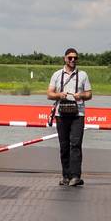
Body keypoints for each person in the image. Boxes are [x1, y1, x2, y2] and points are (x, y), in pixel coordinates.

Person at [46, 47, 93, 186]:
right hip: (61, 114)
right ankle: (66, 176)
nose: (73, 60)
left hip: (78, 114)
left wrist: (81, 95)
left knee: (76, 145)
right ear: (65, 58)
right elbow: (49, 94)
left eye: (75, 58)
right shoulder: (57, 75)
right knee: (64, 145)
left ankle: (76, 176)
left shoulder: (83, 75)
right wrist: (59, 95)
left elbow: (89, 94)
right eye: (70, 58)